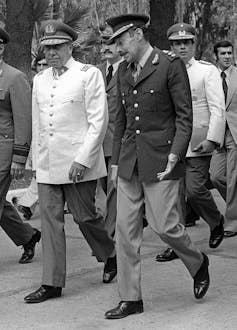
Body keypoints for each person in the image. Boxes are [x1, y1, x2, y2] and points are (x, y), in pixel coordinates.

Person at [104, 14, 210, 319]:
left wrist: (176, 155)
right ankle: (131, 298)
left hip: (162, 160)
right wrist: (114, 163)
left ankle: (197, 261)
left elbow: (183, 116)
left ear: (137, 34)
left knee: (165, 227)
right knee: (125, 232)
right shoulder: (123, 70)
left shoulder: (169, 65)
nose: (119, 49)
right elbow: (121, 120)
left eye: (121, 42)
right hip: (128, 161)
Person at [24, 20, 117, 304]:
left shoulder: (88, 75)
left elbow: (98, 122)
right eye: (47, 48)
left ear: (70, 46)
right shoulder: (40, 79)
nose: (51, 52)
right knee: (51, 222)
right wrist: (34, 162)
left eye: (57, 46)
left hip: (78, 162)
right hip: (49, 163)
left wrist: (83, 159)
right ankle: (51, 282)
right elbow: (38, 123)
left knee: (85, 217)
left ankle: (110, 254)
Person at [156, 23, 225, 263]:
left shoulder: (207, 71)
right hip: (171, 142)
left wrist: (212, 139)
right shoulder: (163, 69)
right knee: (173, 196)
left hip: (197, 142)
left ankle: (216, 220)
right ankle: (177, 244)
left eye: (186, 42)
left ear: (194, 44)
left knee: (195, 190)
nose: (182, 47)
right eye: (176, 43)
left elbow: (217, 108)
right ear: (170, 46)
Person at [0, 27, 41, 264]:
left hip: (4, 153)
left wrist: (19, 157)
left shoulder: (14, 77)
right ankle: (28, 236)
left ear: (2, 47)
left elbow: (24, 120)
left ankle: (28, 237)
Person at [12, 53, 48, 221]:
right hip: (36, 138)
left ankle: (26, 203)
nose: (42, 68)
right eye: (39, 65)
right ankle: (26, 203)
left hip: (56, 139)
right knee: (39, 174)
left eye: (45, 64)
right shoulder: (31, 86)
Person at [210, 40, 237, 237]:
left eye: (230, 53)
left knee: (233, 179)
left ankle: (232, 223)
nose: (227, 56)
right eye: (223, 54)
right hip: (218, 134)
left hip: (235, 133)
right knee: (216, 176)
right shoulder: (211, 76)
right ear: (216, 57)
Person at [97, 34, 123, 237]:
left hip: (121, 140)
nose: (107, 47)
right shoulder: (94, 72)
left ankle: (109, 233)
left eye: (111, 43)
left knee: (114, 187)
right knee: (105, 187)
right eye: (104, 43)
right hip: (98, 141)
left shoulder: (128, 69)